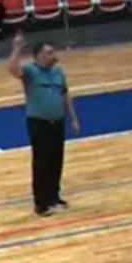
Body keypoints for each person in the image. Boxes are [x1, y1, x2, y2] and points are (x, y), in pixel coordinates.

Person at [7, 32, 80, 216]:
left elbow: (65, 94)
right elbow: (13, 70)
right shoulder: (30, 71)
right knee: (42, 163)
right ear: (38, 55)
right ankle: (41, 203)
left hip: (57, 121)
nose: (53, 55)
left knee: (56, 160)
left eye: (53, 52)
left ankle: (54, 196)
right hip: (39, 123)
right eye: (49, 52)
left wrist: (73, 118)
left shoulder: (58, 72)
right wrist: (17, 48)